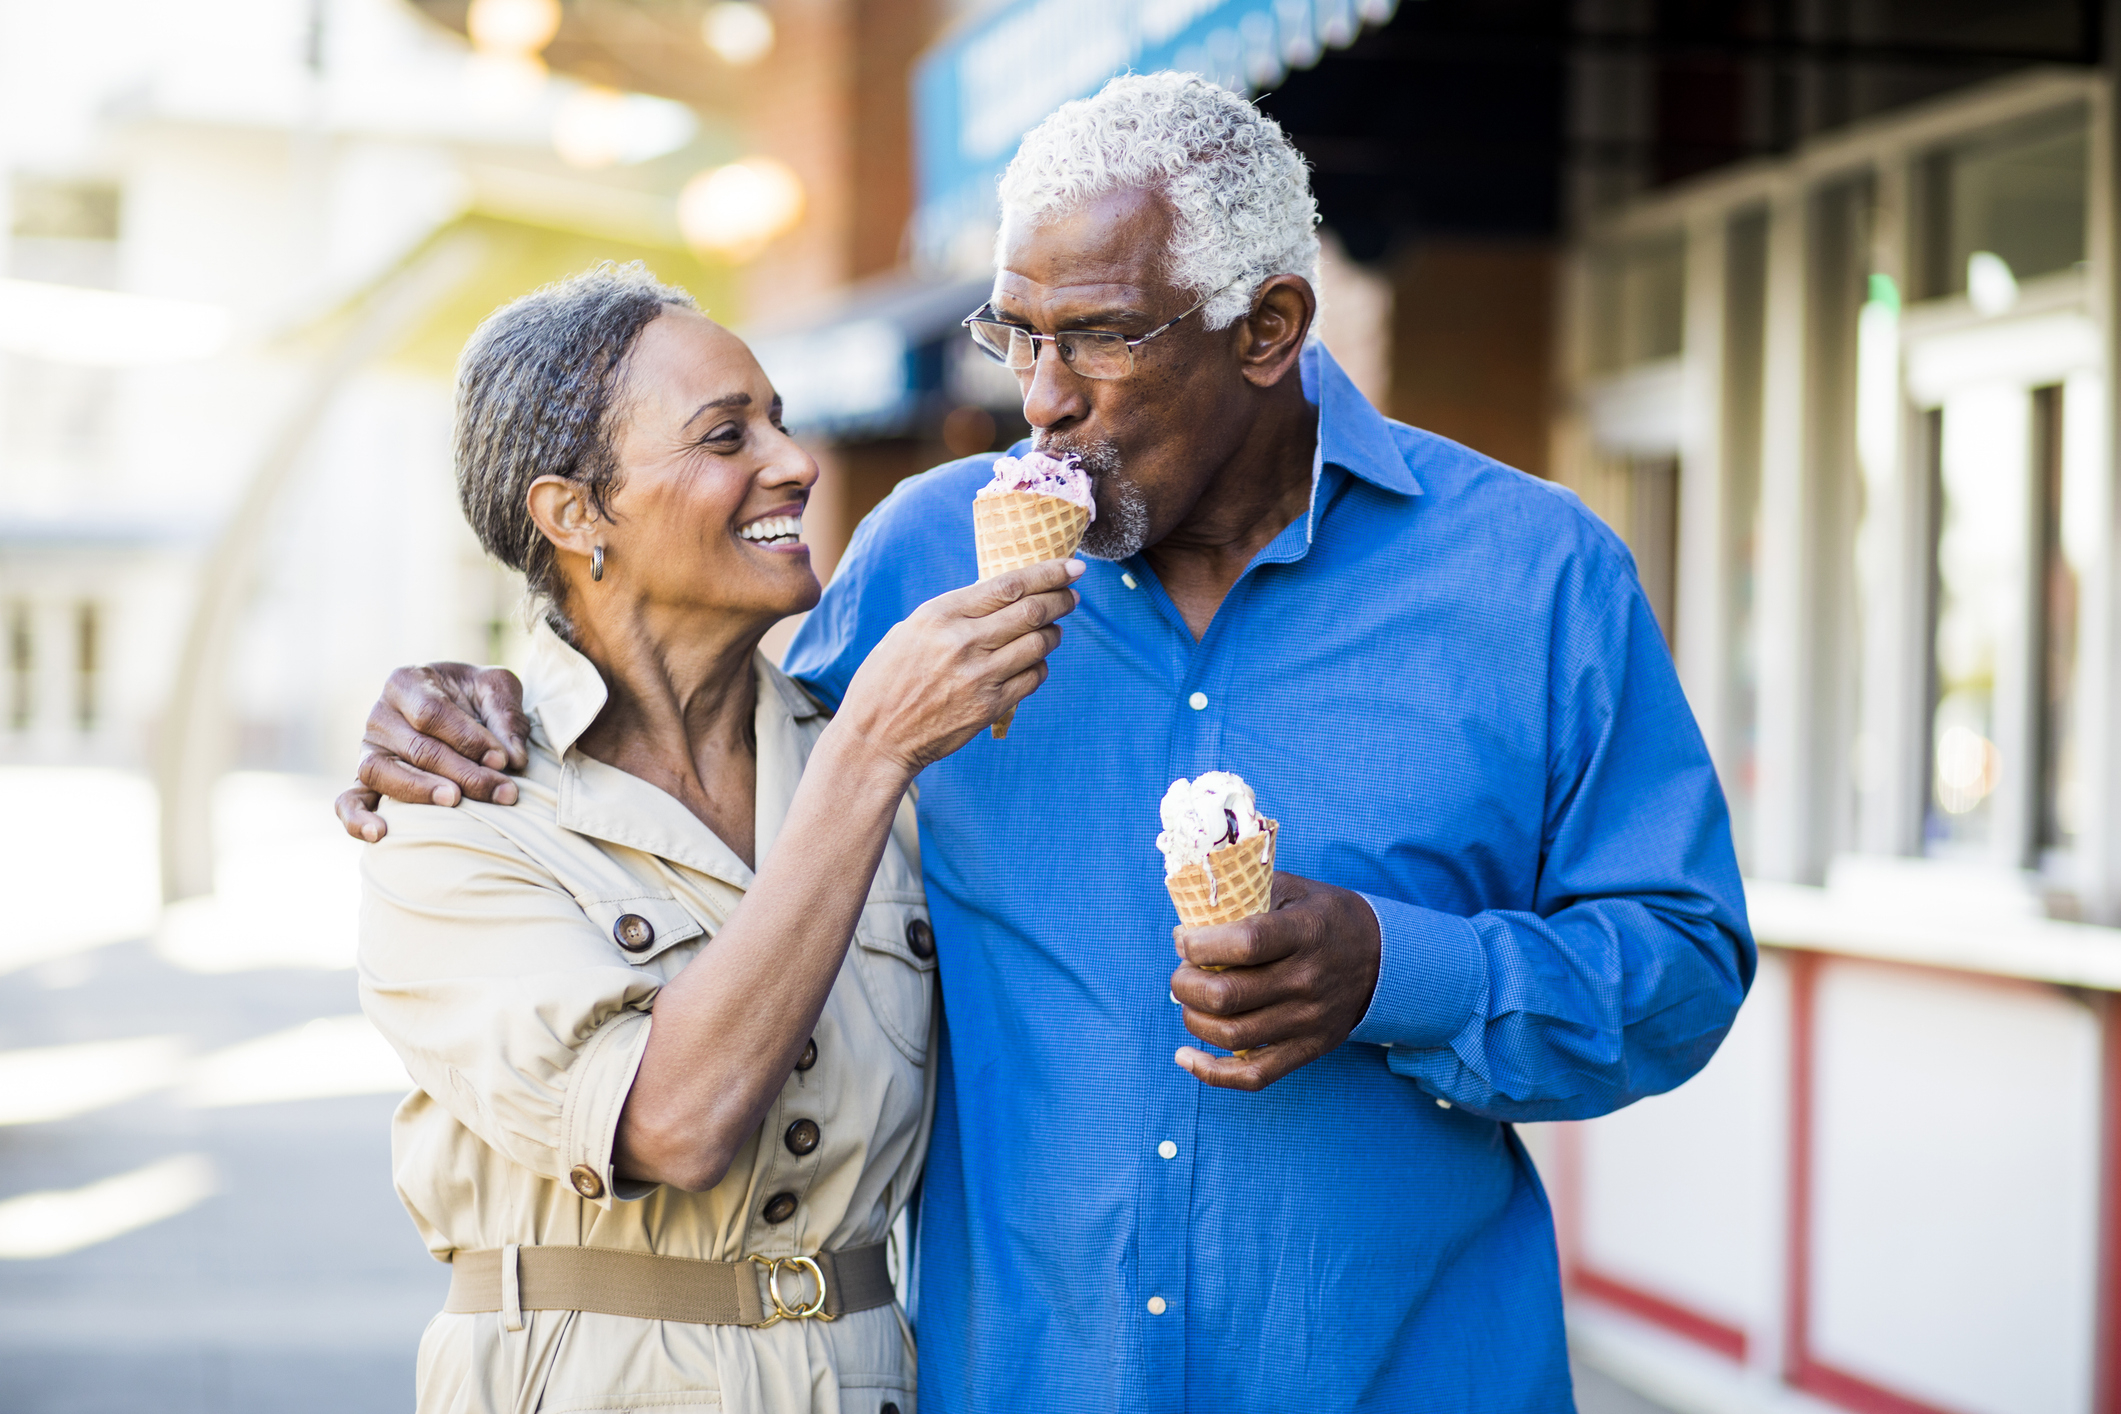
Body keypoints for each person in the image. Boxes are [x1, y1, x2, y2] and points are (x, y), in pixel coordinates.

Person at [341, 75, 1753, 1411]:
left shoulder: (1534, 577)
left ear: (1267, 327)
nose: (1043, 395)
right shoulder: (918, 565)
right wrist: (475, 699)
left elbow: (1682, 964)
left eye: (1100, 336)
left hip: (1400, 1372)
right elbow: (699, 761)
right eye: (1015, 332)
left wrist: (1398, 968)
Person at [354, 262, 1080, 1414]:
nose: (795, 463)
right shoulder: (458, 812)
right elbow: (668, 1122)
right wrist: (874, 756)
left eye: (781, 424)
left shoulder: (867, 752)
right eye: (725, 436)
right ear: (575, 512)